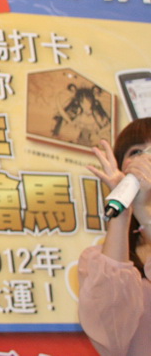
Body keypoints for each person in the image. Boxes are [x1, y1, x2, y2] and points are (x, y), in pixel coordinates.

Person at [80, 117, 151, 356]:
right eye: (137, 152)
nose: (145, 160)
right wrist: (124, 213)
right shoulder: (98, 261)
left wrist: (145, 211)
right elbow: (110, 339)